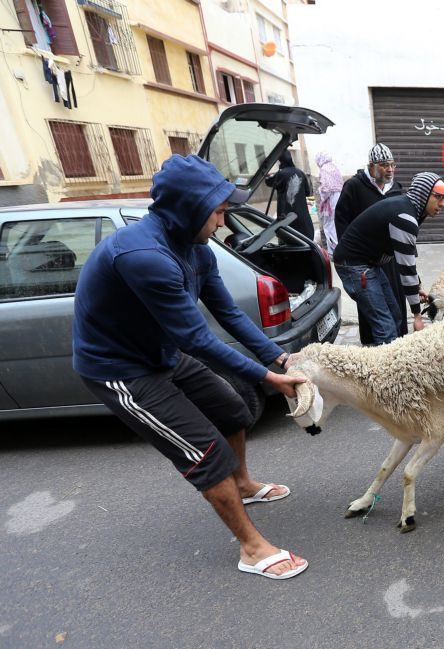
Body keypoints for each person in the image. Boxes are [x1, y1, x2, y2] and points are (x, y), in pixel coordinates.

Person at [72, 154, 309, 580]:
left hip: (160, 352)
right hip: (121, 369)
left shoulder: (197, 248)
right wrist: (269, 378)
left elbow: (230, 315)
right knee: (205, 452)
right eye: (218, 212)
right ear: (189, 209)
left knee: (233, 409)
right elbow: (197, 338)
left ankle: (243, 485)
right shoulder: (144, 256)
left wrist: (278, 357)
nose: (222, 222)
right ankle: (253, 549)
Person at [333, 172, 444, 344]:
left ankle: (394, 359)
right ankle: (383, 368)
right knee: (385, 327)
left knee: (396, 315)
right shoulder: (405, 216)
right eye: (438, 197)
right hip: (353, 265)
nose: (442, 203)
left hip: (369, 262)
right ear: (423, 193)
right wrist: (417, 316)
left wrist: (416, 286)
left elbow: (405, 261)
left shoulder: (408, 209)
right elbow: (406, 270)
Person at [332, 143, 406, 344]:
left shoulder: (396, 188)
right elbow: (341, 220)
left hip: (388, 258)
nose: (390, 169)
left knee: (393, 308)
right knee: (376, 310)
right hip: (362, 261)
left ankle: (398, 343)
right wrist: (352, 252)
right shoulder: (354, 187)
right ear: (371, 166)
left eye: (392, 165)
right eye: (384, 165)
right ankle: (379, 346)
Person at [264, 150, 314, 240]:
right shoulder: (300, 173)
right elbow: (307, 192)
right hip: (302, 216)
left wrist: (267, 173)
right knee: (303, 240)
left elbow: (269, 182)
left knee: (288, 240)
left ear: (280, 161)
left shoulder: (281, 174)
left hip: (287, 216)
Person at [314, 151, 344, 253]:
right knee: (335, 224)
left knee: (329, 226)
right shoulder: (334, 167)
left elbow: (325, 189)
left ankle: (333, 251)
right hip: (339, 198)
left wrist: (320, 192)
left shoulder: (324, 169)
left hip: (330, 201)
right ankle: (338, 248)